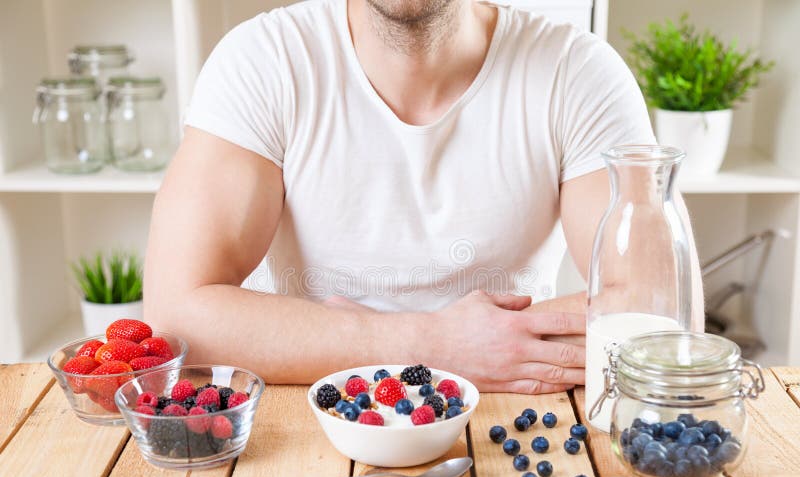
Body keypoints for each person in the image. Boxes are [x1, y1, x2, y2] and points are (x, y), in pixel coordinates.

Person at [144, 0, 703, 392]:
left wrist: (469, 349)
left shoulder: (575, 70)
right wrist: (433, 344)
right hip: (307, 411)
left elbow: (656, 305)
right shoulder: (263, 60)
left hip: (509, 406)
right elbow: (177, 314)